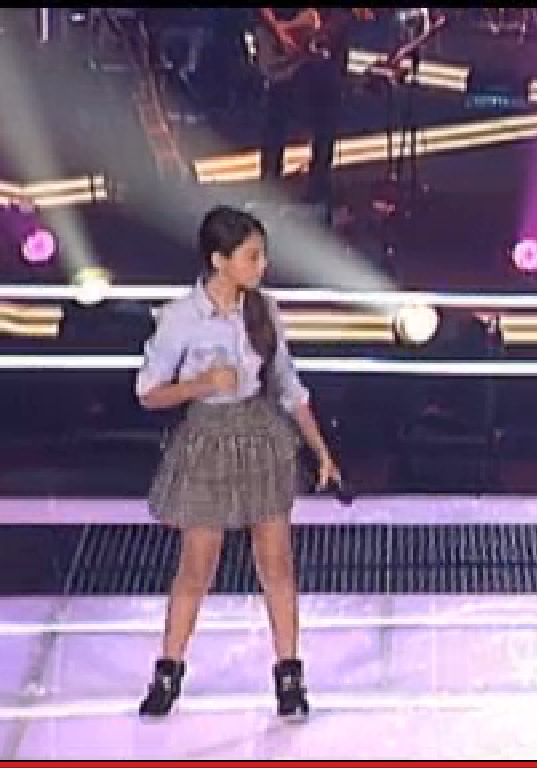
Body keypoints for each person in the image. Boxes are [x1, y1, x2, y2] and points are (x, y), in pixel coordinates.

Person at [133, 205, 342, 718]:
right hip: (207, 441)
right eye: (252, 256)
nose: (262, 265)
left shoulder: (263, 310)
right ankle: (168, 672)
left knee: (276, 562)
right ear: (219, 260)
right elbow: (148, 392)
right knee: (197, 565)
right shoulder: (181, 317)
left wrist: (321, 450)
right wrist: (201, 384)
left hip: (259, 437)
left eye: (262, 255)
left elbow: (289, 385)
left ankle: (289, 675)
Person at [257, 8, 364, 216]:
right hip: (286, 48)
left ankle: (317, 193)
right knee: (276, 122)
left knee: (325, 123)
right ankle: (269, 191)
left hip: (326, 55)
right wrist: (280, 32)